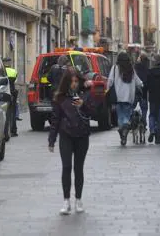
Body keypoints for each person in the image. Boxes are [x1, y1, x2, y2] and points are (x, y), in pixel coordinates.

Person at [48, 68, 93, 215]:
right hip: (66, 134)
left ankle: (78, 199)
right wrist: (52, 139)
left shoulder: (85, 95)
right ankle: (66, 200)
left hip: (82, 135)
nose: (74, 84)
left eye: (76, 81)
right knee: (66, 167)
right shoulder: (59, 98)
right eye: (71, 81)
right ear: (66, 82)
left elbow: (95, 112)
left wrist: (83, 105)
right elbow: (55, 119)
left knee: (78, 168)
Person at [106, 52, 143, 145]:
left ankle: (122, 134)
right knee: (126, 116)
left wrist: (107, 89)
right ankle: (125, 130)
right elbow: (138, 82)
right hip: (129, 98)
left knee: (120, 116)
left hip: (118, 97)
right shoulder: (131, 69)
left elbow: (110, 81)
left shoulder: (115, 68)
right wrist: (142, 85)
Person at [134, 53, 150, 126]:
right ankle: (143, 122)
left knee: (131, 107)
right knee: (144, 108)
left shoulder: (136, 67)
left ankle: (133, 123)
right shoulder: (147, 68)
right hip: (144, 91)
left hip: (135, 91)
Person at [5, 64, 19, 137]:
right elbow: (15, 79)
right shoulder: (13, 71)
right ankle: (13, 130)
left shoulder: (2, 71)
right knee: (13, 112)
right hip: (12, 92)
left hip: (5, 93)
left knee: (5, 113)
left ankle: (5, 131)